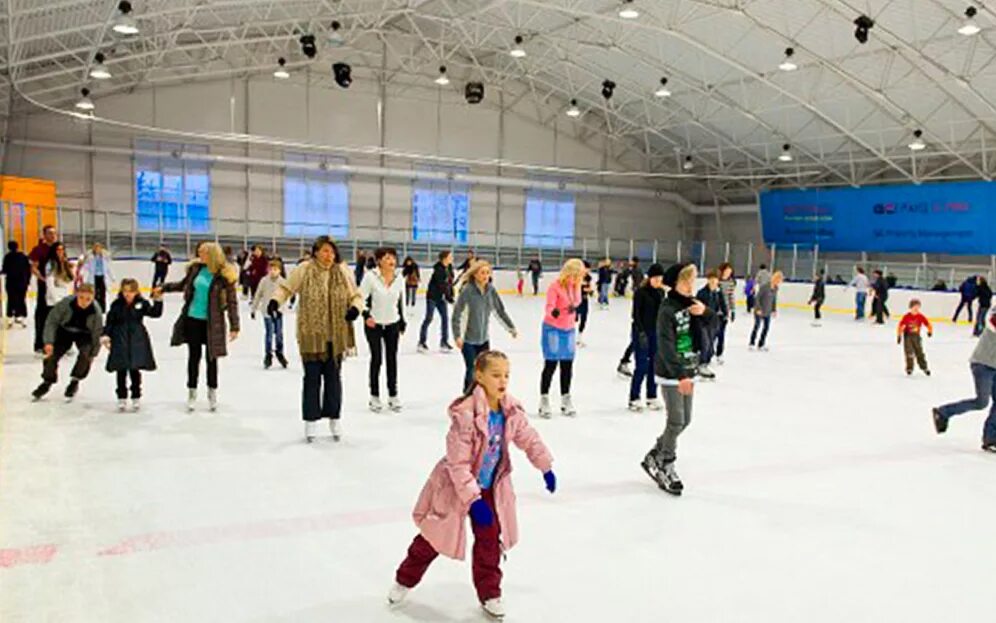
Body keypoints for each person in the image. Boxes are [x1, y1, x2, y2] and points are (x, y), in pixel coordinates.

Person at [387, 350, 555, 619]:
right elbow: (458, 464)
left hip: (490, 487)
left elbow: (528, 437)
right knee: (433, 538)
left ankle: (490, 593)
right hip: (456, 487)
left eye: (506, 375)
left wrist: (545, 465)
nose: (503, 381)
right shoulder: (465, 415)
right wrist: (473, 499)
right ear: (479, 376)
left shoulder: (510, 409)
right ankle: (404, 579)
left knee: (489, 540)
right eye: (496, 375)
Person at [269, 236, 363, 443]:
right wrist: (275, 301)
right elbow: (286, 288)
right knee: (311, 379)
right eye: (325, 251)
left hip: (336, 335)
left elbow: (356, 295)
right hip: (311, 334)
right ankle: (310, 421)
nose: (329, 255)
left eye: (332, 251)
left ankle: (334, 418)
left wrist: (355, 309)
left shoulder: (342, 271)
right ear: (316, 252)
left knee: (333, 380)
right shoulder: (305, 269)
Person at [640, 262, 710, 496]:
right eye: (686, 281)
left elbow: (715, 325)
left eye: (693, 281)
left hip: (689, 370)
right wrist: (679, 375)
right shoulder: (667, 309)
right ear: (675, 284)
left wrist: (706, 313)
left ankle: (655, 454)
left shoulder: (693, 305)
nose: (691, 286)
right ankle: (665, 464)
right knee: (676, 420)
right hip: (672, 374)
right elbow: (666, 345)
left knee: (686, 420)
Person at [158, 241, 240, 413]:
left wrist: (235, 325)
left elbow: (232, 302)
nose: (199, 255)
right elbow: (182, 285)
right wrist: (164, 288)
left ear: (212, 255)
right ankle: (192, 391)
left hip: (213, 323)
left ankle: (212, 392)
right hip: (192, 320)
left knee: (212, 359)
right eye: (199, 252)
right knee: (193, 357)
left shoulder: (224, 276)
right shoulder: (195, 270)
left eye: (202, 252)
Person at [932, 307, 996, 453]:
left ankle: (990, 439)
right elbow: (991, 321)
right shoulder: (994, 315)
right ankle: (943, 412)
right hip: (983, 364)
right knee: (981, 402)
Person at [31, 283, 103, 402]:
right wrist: (49, 342)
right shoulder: (65, 304)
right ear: (76, 295)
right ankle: (47, 381)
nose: (84, 302)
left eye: (88, 299)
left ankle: (75, 380)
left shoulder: (96, 311)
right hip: (64, 331)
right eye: (81, 298)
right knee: (51, 355)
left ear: (93, 298)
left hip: (84, 334)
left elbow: (97, 332)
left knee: (85, 355)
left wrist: (93, 353)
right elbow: (51, 321)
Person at [452, 260, 517, 393]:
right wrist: (457, 336)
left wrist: (511, 327)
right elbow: (457, 314)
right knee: (472, 369)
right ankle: (468, 394)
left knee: (484, 370)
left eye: (488, 273)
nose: (485, 276)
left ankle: (481, 395)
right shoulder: (467, 290)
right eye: (482, 273)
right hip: (468, 339)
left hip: (483, 339)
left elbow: (499, 310)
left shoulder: (490, 290)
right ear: (475, 274)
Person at [101, 279, 163, 411]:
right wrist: (106, 335)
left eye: (131, 291)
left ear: (136, 291)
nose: (127, 294)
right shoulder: (116, 305)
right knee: (121, 369)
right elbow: (110, 322)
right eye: (125, 291)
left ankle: (136, 396)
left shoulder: (141, 303)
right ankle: (121, 397)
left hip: (137, 339)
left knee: (135, 369)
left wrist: (158, 301)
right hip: (120, 338)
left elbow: (155, 313)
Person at [359, 247, 406, 413]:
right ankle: (374, 395)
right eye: (386, 258)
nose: (391, 261)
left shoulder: (399, 278)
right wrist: (366, 316)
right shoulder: (370, 277)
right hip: (374, 324)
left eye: (393, 257)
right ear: (379, 261)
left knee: (392, 360)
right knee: (377, 358)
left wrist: (403, 321)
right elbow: (360, 298)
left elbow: (402, 301)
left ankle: (393, 395)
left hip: (392, 323)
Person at [538, 258, 584, 418]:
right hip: (553, 329)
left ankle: (566, 399)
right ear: (567, 273)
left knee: (567, 364)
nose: (576, 279)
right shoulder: (555, 286)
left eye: (579, 276)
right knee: (551, 364)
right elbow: (549, 306)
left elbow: (578, 301)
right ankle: (544, 399)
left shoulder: (576, 286)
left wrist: (575, 305)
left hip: (569, 329)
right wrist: (554, 312)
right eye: (574, 276)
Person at [628, 263, 665, 412]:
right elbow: (636, 314)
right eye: (655, 278)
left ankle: (651, 396)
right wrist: (640, 332)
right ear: (649, 278)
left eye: (660, 278)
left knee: (654, 367)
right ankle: (634, 398)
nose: (657, 280)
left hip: (656, 333)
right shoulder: (641, 292)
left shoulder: (661, 293)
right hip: (641, 332)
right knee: (641, 366)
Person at [251, 259, 289, 370]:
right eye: (271, 269)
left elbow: (286, 295)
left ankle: (280, 352)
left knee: (279, 334)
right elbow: (258, 295)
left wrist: (282, 309)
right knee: (269, 334)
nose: (273, 271)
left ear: (280, 271)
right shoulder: (264, 281)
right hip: (267, 313)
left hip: (278, 312)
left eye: (275, 269)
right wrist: (254, 309)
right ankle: (268, 354)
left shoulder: (282, 281)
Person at [417, 251, 455, 353]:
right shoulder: (438, 270)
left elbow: (449, 284)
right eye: (450, 256)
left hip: (442, 298)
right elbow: (441, 285)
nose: (452, 258)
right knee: (429, 318)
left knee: (445, 319)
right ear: (444, 258)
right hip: (433, 297)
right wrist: (448, 297)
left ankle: (444, 342)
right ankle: (421, 342)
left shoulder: (449, 268)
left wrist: (451, 295)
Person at [29, 225, 59, 353]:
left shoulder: (59, 248)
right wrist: (42, 278)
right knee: (42, 315)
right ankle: (40, 343)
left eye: (54, 233)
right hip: (44, 287)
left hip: (58, 287)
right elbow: (34, 267)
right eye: (50, 233)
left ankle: (58, 343)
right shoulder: (39, 249)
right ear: (44, 235)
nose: (53, 235)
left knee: (59, 315)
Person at [695, 269, 728, 379]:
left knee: (710, 345)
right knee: (705, 343)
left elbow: (723, 305)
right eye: (711, 280)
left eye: (716, 280)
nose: (714, 282)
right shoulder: (702, 293)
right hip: (703, 322)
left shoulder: (718, 293)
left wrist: (725, 314)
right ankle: (702, 364)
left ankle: (706, 362)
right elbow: (697, 306)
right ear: (708, 280)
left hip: (714, 322)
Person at [897, 299, 932, 377]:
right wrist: (899, 336)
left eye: (918, 307)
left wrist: (930, 331)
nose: (916, 309)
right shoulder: (907, 317)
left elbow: (928, 323)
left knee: (919, 352)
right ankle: (909, 368)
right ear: (911, 307)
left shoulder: (920, 316)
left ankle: (924, 367)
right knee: (909, 353)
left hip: (916, 336)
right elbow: (901, 326)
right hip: (908, 336)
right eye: (915, 307)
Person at [749, 271, 783, 351]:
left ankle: (761, 344)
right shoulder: (765, 286)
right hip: (759, 310)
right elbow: (757, 298)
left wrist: (774, 310)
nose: (779, 282)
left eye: (780, 281)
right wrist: (758, 309)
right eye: (778, 279)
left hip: (768, 311)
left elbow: (774, 300)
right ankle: (752, 343)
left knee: (766, 328)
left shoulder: (775, 288)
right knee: (757, 326)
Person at [2, 240, 31, 328]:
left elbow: (4, 269)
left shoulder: (7, 257)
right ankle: (22, 316)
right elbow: (28, 270)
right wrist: (27, 281)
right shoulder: (23, 256)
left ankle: (11, 316)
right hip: (22, 282)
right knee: (22, 299)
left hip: (11, 283)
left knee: (11, 299)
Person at [79, 242, 115, 312]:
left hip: (102, 277)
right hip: (94, 277)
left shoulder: (104, 258)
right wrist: (81, 272)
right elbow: (86, 266)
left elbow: (108, 269)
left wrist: (112, 277)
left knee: (102, 293)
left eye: (99, 248)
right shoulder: (91, 258)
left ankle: (102, 309)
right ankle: (94, 308)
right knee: (93, 293)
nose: (97, 250)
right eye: (96, 248)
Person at [716, 262, 737, 363]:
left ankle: (719, 353)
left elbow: (731, 297)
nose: (728, 273)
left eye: (730, 272)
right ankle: (709, 352)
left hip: (725, 311)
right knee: (712, 333)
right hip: (715, 311)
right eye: (727, 271)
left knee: (721, 334)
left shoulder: (731, 283)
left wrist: (732, 310)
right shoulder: (717, 281)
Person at [44, 242, 75, 308]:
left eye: (62, 249)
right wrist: (56, 300)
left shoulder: (65, 263)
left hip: (64, 296)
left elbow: (70, 279)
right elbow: (50, 283)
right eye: (58, 249)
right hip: (54, 299)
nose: (60, 252)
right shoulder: (51, 264)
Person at [576, 261, 593, 347]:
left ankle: (579, 338)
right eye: (587, 268)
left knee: (583, 319)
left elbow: (589, 288)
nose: (588, 270)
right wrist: (582, 288)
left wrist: (590, 291)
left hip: (584, 301)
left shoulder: (588, 277)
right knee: (573, 319)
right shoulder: (575, 277)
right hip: (575, 301)